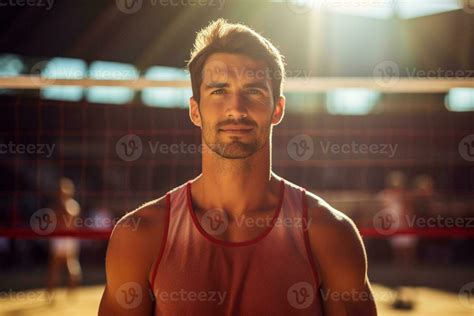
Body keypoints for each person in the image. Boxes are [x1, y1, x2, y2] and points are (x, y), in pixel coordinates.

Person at [99, 19, 377, 316]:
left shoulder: (330, 234)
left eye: (254, 91)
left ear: (277, 109)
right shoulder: (140, 235)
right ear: (195, 110)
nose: (236, 108)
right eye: (219, 91)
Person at [377, 171, 417, 310]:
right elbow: (383, 211)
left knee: (408, 255)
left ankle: (407, 279)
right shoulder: (386, 196)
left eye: (398, 184)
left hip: (406, 229)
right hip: (396, 229)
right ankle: (400, 279)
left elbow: (409, 211)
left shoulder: (405, 196)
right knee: (398, 254)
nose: (396, 186)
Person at [46, 177, 82, 302]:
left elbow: (63, 219)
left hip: (65, 238)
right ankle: (55, 293)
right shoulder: (70, 205)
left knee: (62, 265)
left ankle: (61, 292)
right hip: (65, 238)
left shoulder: (66, 205)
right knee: (63, 264)